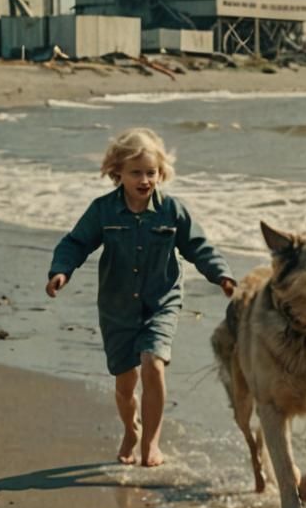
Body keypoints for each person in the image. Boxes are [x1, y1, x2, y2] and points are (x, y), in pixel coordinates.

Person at [46, 127, 235, 467]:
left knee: (153, 363)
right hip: (117, 306)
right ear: (117, 172)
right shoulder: (103, 211)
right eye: (136, 172)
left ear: (161, 172)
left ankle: (151, 442)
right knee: (125, 383)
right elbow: (76, 243)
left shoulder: (172, 210)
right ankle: (131, 430)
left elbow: (198, 247)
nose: (145, 180)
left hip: (161, 300)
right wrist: (61, 271)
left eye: (152, 172)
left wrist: (221, 275)